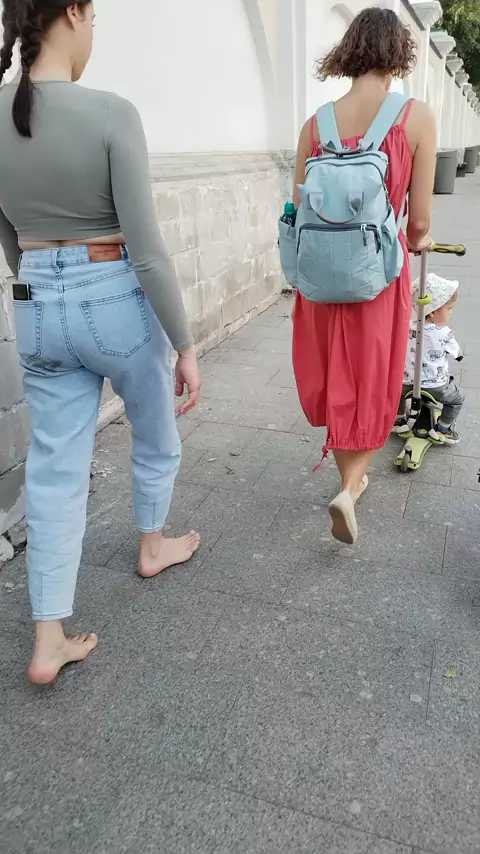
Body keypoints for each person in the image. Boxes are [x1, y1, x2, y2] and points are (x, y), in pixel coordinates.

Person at [0, 0, 201, 684]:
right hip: (112, 290)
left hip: (32, 297)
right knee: (155, 429)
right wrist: (185, 344)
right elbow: (147, 250)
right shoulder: (112, 113)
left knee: (54, 466)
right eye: (94, 20)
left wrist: (35, 281)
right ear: (74, 13)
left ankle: (48, 638)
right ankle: (152, 544)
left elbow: (9, 237)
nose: (93, 34)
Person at [291, 6, 436, 545]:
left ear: (349, 51)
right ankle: (350, 489)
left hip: (319, 276)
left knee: (336, 374)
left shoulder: (315, 125)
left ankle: (349, 480)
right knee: (372, 378)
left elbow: (296, 207)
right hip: (377, 274)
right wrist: (416, 238)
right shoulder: (416, 118)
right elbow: (419, 223)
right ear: (398, 54)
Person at [394, 273, 464, 444]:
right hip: (436, 386)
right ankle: (444, 429)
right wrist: (459, 355)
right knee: (457, 400)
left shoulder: (407, 327)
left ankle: (398, 419)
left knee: (396, 394)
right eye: (448, 308)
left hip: (407, 383)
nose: (450, 312)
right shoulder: (444, 333)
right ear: (432, 312)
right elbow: (457, 353)